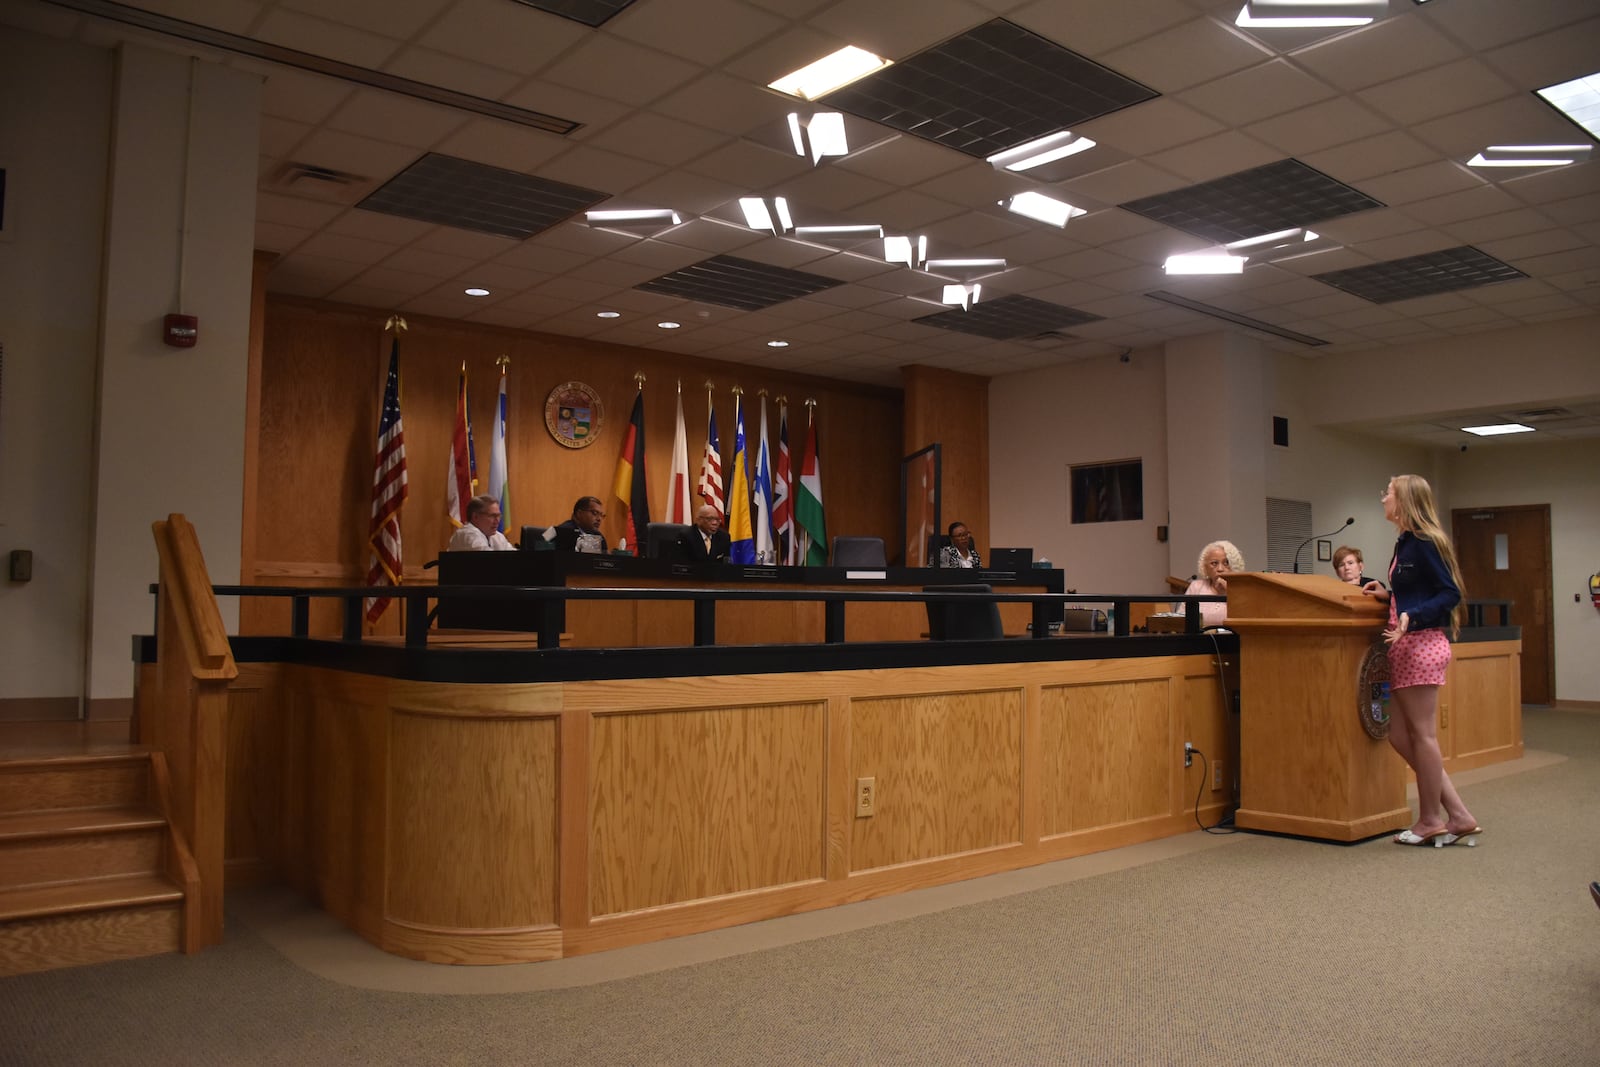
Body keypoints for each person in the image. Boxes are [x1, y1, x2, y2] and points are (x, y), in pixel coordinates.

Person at [1363, 474, 1480, 847]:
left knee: (1423, 735)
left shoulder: (1427, 541)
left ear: (1406, 501)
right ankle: (1458, 814)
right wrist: (1389, 595)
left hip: (1423, 644)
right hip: (1404, 645)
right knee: (1399, 734)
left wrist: (1414, 616)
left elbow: (1450, 593)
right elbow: (1414, 590)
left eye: (1389, 493)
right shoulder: (1405, 541)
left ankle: (1431, 819)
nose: (1383, 498)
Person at [1180, 540, 1242, 627]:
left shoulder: (1243, 588)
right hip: (1200, 639)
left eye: (1226, 563)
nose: (1220, 569)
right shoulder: (1196, 587)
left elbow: (1246, 618)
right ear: (1205, 567)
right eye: (1214, 563)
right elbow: (1181, 619)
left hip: (1233, 639)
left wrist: (1230, 591)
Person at [446, 494, 514, 551]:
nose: (497, 520)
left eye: (498, 515)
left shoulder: (496, 536)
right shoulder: (467, 534)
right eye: (493, 516)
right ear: (475, 517)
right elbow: (489, 560)